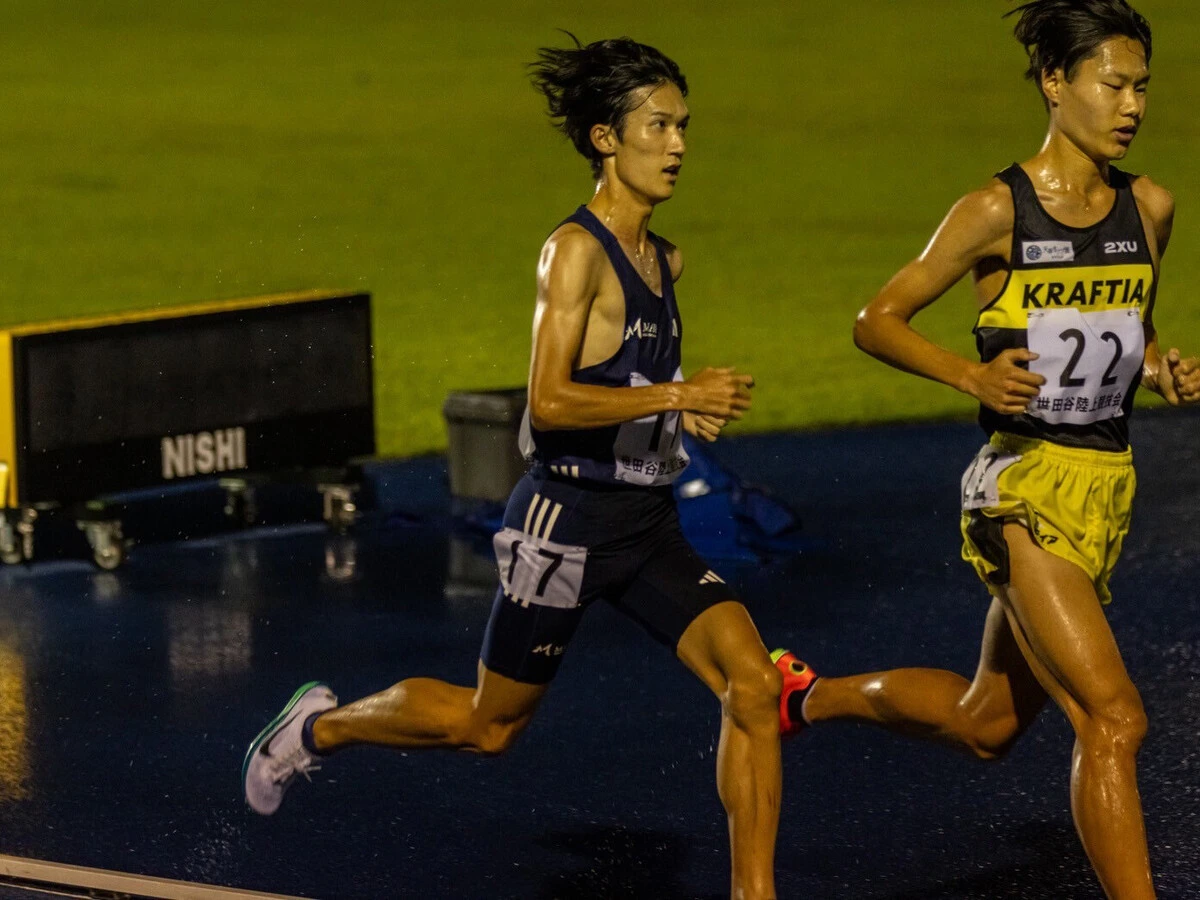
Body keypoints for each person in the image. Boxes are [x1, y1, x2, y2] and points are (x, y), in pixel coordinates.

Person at [244, 36, 792, 900]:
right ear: (607, 139)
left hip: (646, 525)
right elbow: (549, 403)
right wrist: (674, 400)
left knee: (755, 687)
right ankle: (321, 729)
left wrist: (675, 410)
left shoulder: (665, 258)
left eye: (684, 125)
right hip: (565, 524)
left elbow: (632, 378)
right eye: (659, 125)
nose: (680, 143)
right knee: (487, 727)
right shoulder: (574, 253)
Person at [773, 2, 1198, 898]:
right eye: (1111, 84)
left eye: (1142, 87)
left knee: (985, 724)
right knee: (1115, 721)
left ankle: (804, 699)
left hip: (1105, 487)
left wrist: (1161, 367)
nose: (1131, 105)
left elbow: (1131, 327)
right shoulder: (992, 210)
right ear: (1055, 83)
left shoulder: (1149, 206)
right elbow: (875, 321)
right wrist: (969, 380)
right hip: (1023, 487)